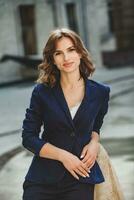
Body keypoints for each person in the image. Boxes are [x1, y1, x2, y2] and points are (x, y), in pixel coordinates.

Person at [22, 28, 110, 200]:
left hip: (80, 176)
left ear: (80, 53)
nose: (66, 58)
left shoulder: (101, 92)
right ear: (52, 59)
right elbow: (28, 137)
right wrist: (64, 157)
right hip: (43, 178)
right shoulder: (42, 92)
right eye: (58, 53)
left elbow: (96, 127)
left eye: (71, 50)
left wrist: (94, 142)